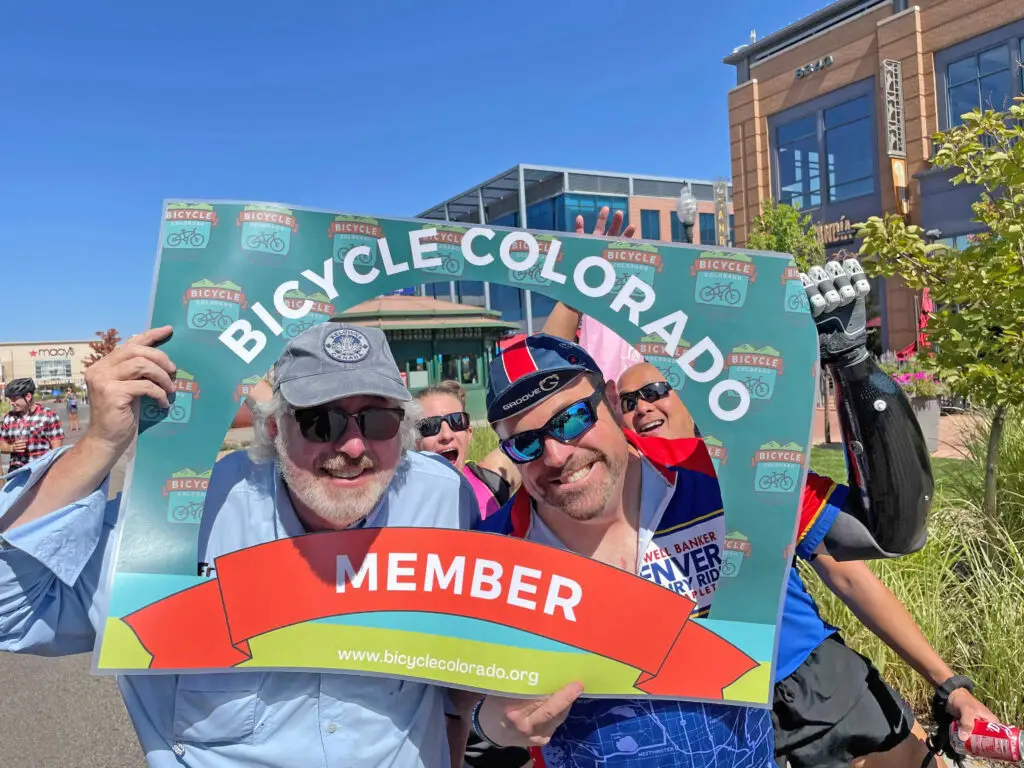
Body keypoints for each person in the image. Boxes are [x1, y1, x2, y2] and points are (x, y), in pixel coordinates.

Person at [0, 322, 483, 768]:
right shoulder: (181, 516)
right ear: (274, 429)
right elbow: (12, 611)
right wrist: (100, 442)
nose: (353, 447)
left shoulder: (444, 499)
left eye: (377, 421)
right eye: (322, 422)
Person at [613, 360, 997, 768]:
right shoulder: (609, 504)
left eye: (656, 391)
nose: (642, 407)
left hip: (817, 679)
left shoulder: (753, 470)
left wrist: (950, 685)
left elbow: (851, 578)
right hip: (719, 716)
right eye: (627, 401)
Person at [415, 380, 521, 517]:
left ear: (468, 433)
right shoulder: (402, 503)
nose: (446, 435)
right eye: (429, 426)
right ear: (414, 441)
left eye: (457, 421)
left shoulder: (489, 483)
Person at [0, 377, 65, 474]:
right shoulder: (8, 418)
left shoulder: (48, 415)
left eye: (14, 399)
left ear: (28, 396)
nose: (11, 403)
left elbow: (57, 449)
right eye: (10, 399)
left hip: (41, 470)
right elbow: (2, 445)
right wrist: (12, 448)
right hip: (16, 472)